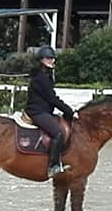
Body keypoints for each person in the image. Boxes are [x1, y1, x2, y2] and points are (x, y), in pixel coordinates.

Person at [25, 46, 78, 177]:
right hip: (37, 112)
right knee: (58, 133)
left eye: (52, 58)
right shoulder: (41, 77)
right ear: (41, 60)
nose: (52, 61)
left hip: (43, 110)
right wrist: (70, 112)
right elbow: (52, 98)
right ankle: (52, 166)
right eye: (48, 58)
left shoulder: (44, 75)